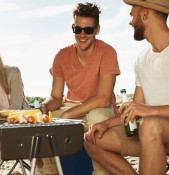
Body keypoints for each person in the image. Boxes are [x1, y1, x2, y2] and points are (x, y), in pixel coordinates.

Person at [84, 0, 169, 174]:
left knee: (150, 125)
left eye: (132, 14)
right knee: (92, 139)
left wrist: (149, 111)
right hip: (149, 131)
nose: (130, 21)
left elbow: (146, 111)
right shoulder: (141, 60)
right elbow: (136, 109)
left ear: (145, 14)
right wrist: (106, 123)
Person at [39, 2, 120, 175]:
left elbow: (104, 98)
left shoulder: (107, 53)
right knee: (42, 126)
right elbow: (55, 96)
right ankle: (50, 172)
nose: (82, 35)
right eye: (78, 29)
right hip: (71, 107)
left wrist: (70, 114)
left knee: (97, 119)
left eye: (88, 30)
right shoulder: (61, 56)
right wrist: (44, 106)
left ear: (97, 29)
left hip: (99, 108)